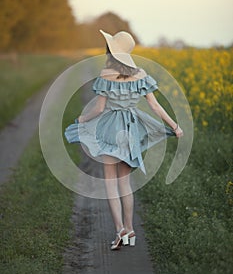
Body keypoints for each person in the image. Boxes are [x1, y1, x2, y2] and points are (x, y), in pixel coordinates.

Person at [65, 29, 183, 250]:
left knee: (110, 183)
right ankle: (130, 230)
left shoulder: (106, 74)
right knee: (125, 184)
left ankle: (119, 228)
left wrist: (83, 118)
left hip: (109, 129)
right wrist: (174, 126)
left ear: (111, 50)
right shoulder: (141, 74)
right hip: (130, 131)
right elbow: (155, 106)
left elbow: (99, 108)